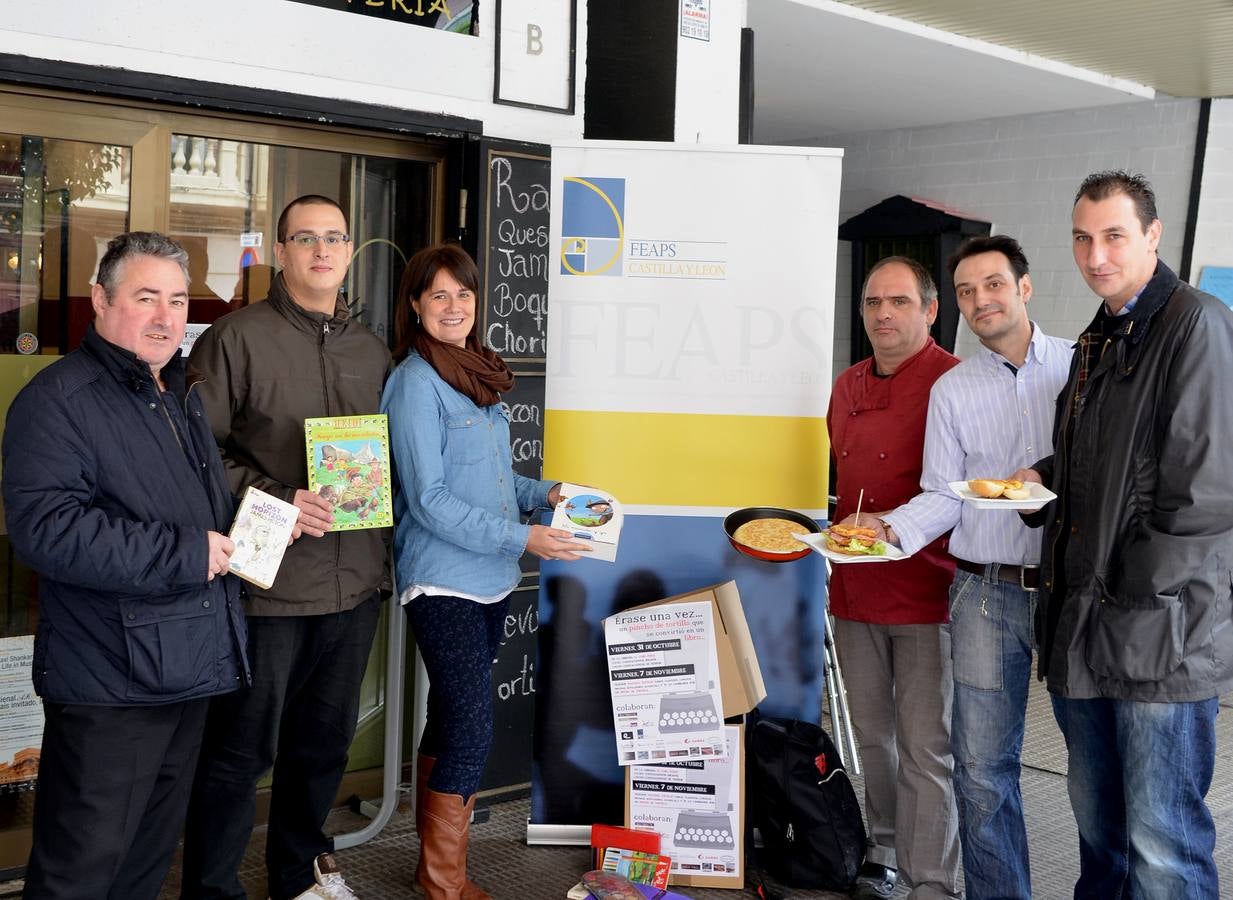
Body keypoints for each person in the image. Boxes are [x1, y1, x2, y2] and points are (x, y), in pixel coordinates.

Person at [1, 232, 249, 899]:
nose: (166, 316)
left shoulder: (177, 393)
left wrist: (263, 516)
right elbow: (47, 532)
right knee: (80, 873)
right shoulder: (57, 402)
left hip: (185, 666)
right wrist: (186, 552)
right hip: (109, 682)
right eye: (146, 298)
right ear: (100, 300)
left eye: (175, 299)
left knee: (142, 867)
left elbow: (197, 510)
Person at [1013, 171, 1233, 899]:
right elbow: (1111, 467)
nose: (1094, 254)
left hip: (1155, 635)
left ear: (1151, 235)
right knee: (1099, 832)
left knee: (1161, 841)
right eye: (1081, 238)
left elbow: (1203, 495)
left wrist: (1130, 593)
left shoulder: (1194, 323)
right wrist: (1039, 484)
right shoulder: (1096, 339)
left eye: (1112, 235)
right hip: (1083, 623)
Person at [181, 196, 391, 900]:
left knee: (322, 749)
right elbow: (195, 454)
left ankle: (298, 876)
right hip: (266, 589)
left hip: (353, 585)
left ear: (349, 250)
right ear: (279, 251)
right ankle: (212, 888)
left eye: (335, 238)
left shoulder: (372, 349)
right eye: (306, 238)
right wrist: (272, 495)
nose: (321, 250)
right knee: (239, 752)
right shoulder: (233, 340)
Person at [854, 236, 1073, 899]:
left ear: (1023, 287)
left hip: (1071, 592)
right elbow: (943, 493)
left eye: (993, 285)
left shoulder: (1077, 369)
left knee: (1092, 767)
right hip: (982, 589)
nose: (981, 300)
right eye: (968, 292)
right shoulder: (954, 388)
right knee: (981, 768)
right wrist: (885, 529)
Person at [380, 243, 588, 899]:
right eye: (437, 295)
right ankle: (446, 884)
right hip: (443, 580)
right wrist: (524, 534)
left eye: (463, 294)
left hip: (492, 577)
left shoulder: (473, 374)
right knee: (471, 729)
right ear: (415, 304)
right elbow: (430, 500)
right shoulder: (414, 383)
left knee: (451, 719)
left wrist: (548, 492)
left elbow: (493, 478)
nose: (453, 307)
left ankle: (431, 869)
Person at [825, 257, 962, 900]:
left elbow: (956, 495)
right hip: (854, 588)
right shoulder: (846, 385)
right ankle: (884, 850)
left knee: (926, 746)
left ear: (931, 310)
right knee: (870, 735)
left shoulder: (954, 382)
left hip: (928, 590)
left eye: (900, 302)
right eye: (874, 302)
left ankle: (930, 880)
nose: (884, 314)